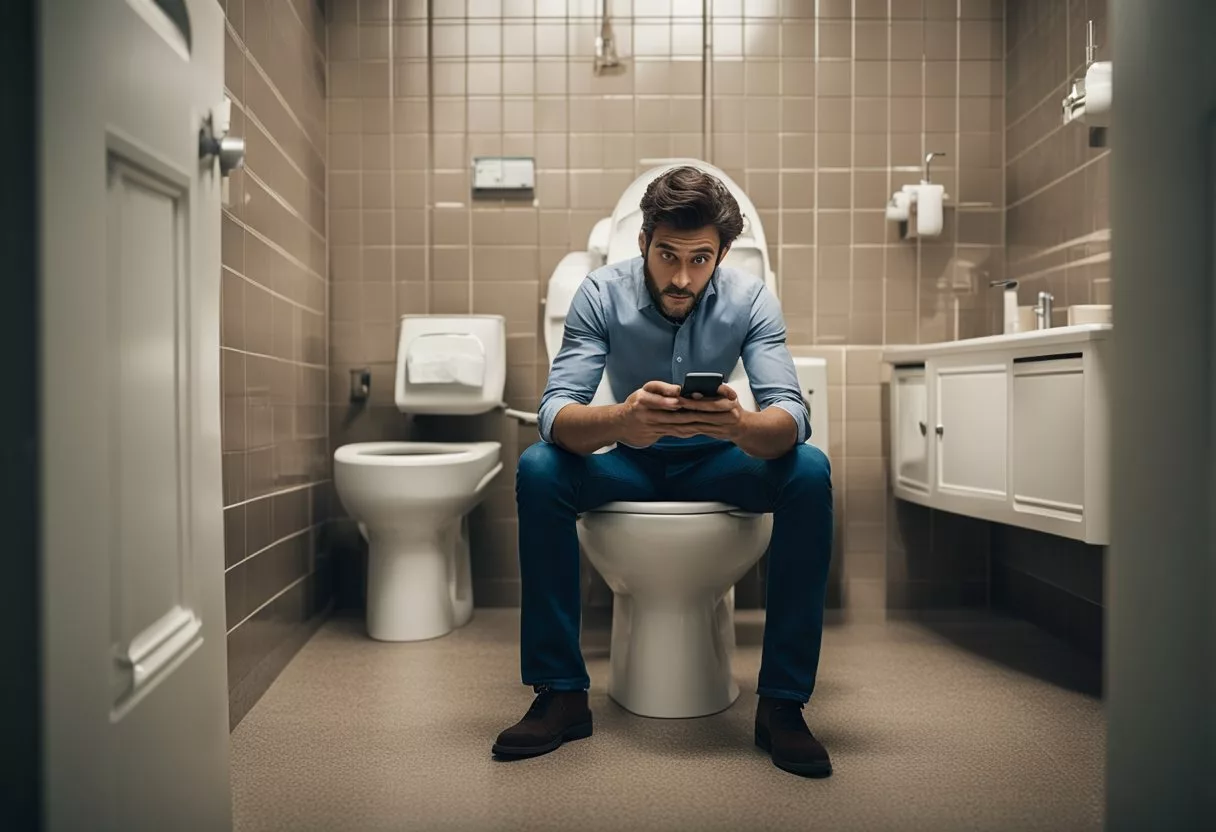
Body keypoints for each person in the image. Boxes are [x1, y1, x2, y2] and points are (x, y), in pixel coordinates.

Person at [492, 166, 834, 778]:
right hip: (631, 465)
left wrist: (737, 427)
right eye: (667, 255)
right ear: (643, 241)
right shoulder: (601, 292)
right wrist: (623, 420)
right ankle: (561, 693)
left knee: (808, 470)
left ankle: (782, 705)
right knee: (540, 468)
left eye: (700, 259)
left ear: (724, 253)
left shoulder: (751, 298)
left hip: (719, 464)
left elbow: (791, 416)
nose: (681, 277)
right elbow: (553, 414)